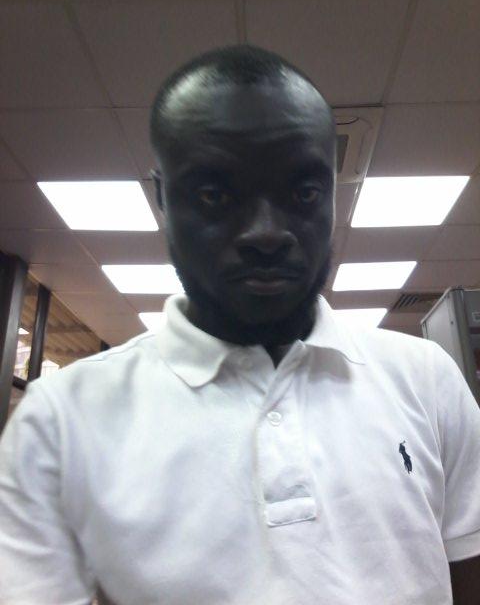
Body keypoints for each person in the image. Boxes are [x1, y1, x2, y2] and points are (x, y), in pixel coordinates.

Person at [0, 44, 479, 605]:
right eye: (215, 194)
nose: (266, 232)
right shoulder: (62, 420)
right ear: (163, 197)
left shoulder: (425, 379)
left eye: (303, 192)